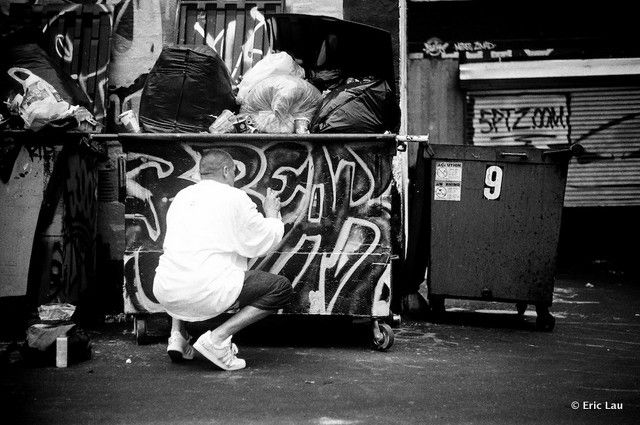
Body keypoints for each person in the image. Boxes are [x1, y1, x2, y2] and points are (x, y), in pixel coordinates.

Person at [153, 149, 292, 371]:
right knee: (281, 288)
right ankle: (217, 340)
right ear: (226, 170)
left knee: (187, 259)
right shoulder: (234, 197)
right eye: (235, 172)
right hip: (205, 291)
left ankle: (177, 335)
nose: (235, 179)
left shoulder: (182, 196)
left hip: (166, 291)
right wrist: (272, 214)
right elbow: (261, 240)